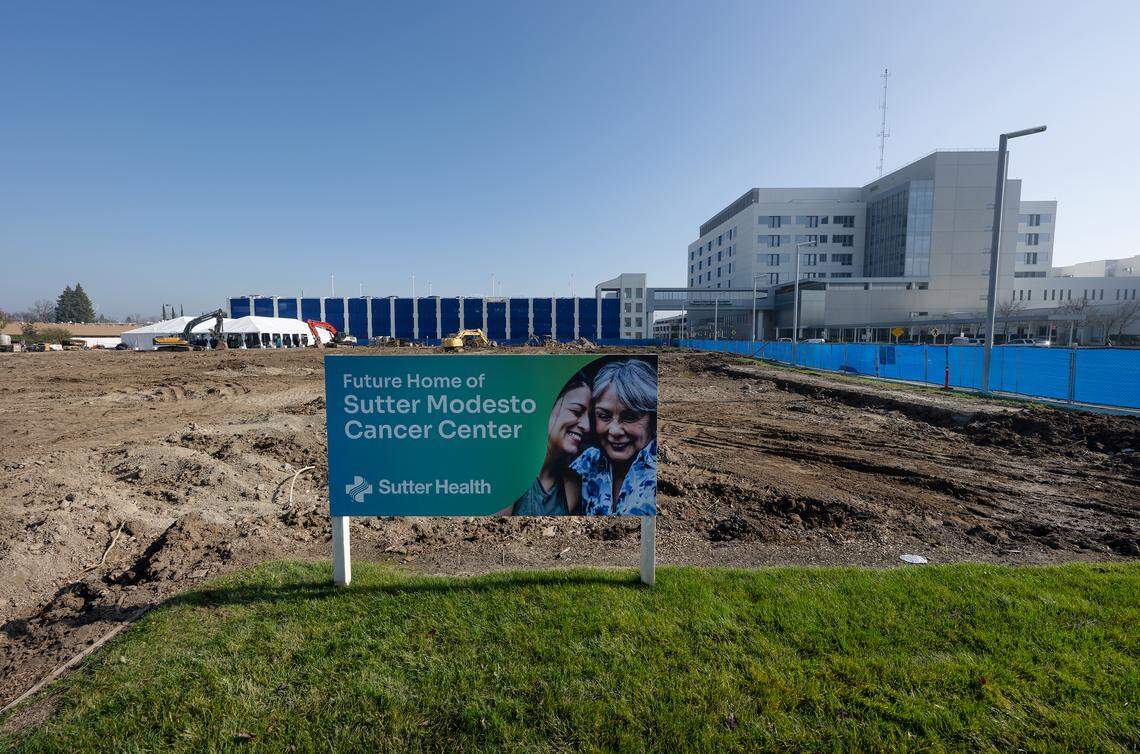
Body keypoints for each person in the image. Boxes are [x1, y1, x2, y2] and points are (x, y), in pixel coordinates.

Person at [570, 359, 657, 516]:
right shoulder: (588, 462)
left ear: (652, 419)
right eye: (604, 416)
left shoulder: (664, 468)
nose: (614, 431)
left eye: (630, 417)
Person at [503, 372, 592, 516]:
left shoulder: (572, 486)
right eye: (576, 411)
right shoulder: (508, 473)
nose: (587, 426)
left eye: (591, 417)